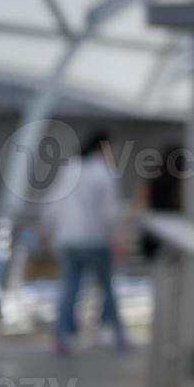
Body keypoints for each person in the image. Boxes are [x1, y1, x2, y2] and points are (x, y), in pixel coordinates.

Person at [41, 129, 128, 356]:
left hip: (68, 239)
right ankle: (114, 334)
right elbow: (109, 212)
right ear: (103, 148)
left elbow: (52, 202)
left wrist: (46, 228)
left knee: (70, 288)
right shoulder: (104, 172)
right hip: (95, 239)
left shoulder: (70, 169)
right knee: (106, 287)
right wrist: (117, 237)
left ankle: (62, 336)